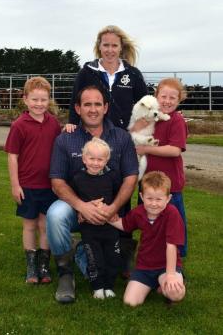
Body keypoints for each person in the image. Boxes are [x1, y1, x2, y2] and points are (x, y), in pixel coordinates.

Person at [46, 85, 138, 303]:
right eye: (87, 104)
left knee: (110, 264)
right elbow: (57, 181)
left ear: (106, 107)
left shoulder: (122, 138)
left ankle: (103, 256)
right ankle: (66, 275)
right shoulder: (65, 139)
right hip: (77, 208)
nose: (93, 109)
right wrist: (81, 206)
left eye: (98, 104)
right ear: (78, 108)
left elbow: (131, 178)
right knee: (55, 215)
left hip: (112, 211)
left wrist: (112, 208)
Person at [5, 76, 61, 284]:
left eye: (43, 100)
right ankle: (31, 265)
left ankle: (44, 265)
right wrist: (15, 185)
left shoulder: (53, 123)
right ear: (25, 99)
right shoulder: (19, 125)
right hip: (27, 185)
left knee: (45, 226)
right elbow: (12, 156)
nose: (39, 104)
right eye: (35, 100)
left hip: (48, 185)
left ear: (49, 101)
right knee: (29, 226)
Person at [110, 171, 186, 306]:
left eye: (159, 199)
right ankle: (153, 284)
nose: (154, 204)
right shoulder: (138, 212)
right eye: (149, 198)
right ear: (142, 196)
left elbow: (171, 246)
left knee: (176, 294)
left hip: (166, 266)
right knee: (130, 302)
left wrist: (170, 275)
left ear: (168, 198)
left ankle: (168, 281)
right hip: (144, 266)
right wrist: (107, 217)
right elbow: (124, 225)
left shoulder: (172, 213)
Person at [136, 78, 188, 257]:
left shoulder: (176, 120)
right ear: (156, 96)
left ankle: (176, 263)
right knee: (150, 225)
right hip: (148, 184)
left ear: (179, 99)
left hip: (169, 186)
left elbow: (175, 150)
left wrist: (146, 149)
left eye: (172, 98)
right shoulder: (152, 118)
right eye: (163, 96)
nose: (167, 101)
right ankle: (151, 258)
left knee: (173, 225)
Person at [68, 25, 148, 130]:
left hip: (124, 136)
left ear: (121, 47)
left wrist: (139, 126)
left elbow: (145, 104)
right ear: (99, 46)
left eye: (114, 45)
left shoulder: (133, 74)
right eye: (106, 45)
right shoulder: (86, 73)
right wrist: (72, 122)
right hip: (92, 136)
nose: (110, 50)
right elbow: (75, 101)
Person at [71, 137, 121, 299]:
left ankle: (109, 285)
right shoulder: (78, 178)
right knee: (94, 258)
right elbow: (75, 199)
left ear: (107, 160)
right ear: (84, 159)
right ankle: (97, 286)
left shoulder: (112, 177)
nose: (95, 163)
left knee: (112, 257)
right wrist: (79, 211)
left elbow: (118, 196)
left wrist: (114, 209)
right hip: (89, 228)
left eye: (100, 159)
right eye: (91, 158)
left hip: (110, 227)